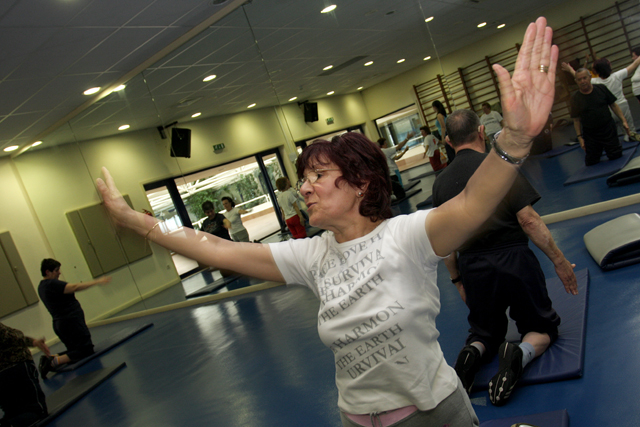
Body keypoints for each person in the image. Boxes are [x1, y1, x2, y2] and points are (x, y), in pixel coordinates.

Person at [96, 17, 557, 426]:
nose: (306, 188)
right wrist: (139, 222)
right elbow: (215, 249)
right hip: (355, 419)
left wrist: (515, 137)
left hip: (431, 414)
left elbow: (472, 204)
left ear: (359, 184)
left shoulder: (407, 236)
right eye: (303, 178)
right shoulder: (311, 255)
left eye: (318, 175)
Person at [432, 109, 577, 406]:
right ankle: (518, 355)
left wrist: (457, 279)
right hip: (513, 259)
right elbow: (529, 221)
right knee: (542, 329)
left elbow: (445, 245)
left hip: (473, 266)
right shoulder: (499, 167)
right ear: (482, 131)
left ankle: (471, 353)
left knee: (485, 333)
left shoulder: (441, 183)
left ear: (447, 141)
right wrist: (560, 261)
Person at [37, 258, 111, 379]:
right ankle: (51, 362)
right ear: (47, 272)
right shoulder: (52, 284)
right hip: (70, 323)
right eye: (56, 270)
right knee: (85, 350)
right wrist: (97, 281)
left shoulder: (42, 286)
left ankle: (52, 358)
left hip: (61, 324)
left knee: (75, 350)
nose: (59, 272)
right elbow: (74, 287)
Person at [562, 56, 640, 140]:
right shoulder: (617, 75)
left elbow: (579, 77)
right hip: (622, 107)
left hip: (608, 110)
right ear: (608, 67)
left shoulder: (596, 81)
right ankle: (629, 136)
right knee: (630, 130)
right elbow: (634, 64)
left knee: (608, 131)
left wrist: (570, 69)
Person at [570, 68, 631, 166]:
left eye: (584, 78)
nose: (582, 81)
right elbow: (576, 119)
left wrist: (624, 121)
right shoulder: (575, 98)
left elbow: (614, 105)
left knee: (616, 156)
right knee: (591, 162)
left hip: (608, 129)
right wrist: (580, 137)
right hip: (590, 134)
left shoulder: (601, 88)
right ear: (576, 81)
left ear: (590, 77)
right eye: (579, 79)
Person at [0, 323, 49, 426]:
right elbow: (12, 337)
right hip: (16, 368)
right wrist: (30, 341)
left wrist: (34, 342)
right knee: (37, 411)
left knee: (12, 413)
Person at [377, 132, 415, 199]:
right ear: (382, 144)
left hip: (388, 173)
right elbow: (399, 147)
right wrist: (407, 138)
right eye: (385, 143)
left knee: (395, 188)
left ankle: (394, 196)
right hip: (392, 172)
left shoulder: (381, 152)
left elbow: (395, 157)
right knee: (398, 189)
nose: (387, 144)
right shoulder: (385, 151)